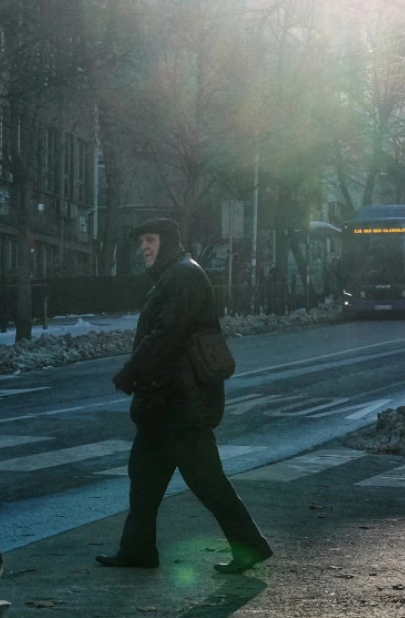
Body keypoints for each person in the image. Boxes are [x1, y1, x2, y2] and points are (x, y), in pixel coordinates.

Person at [97, 217, 272, 574]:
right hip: (165, 404)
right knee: (143, 479)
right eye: (141, 242)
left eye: (150, 240)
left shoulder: (183, 275)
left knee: (208, 483)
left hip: (182, 404)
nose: (144, 248)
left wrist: (131, 371)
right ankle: (137, 549)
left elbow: (167, 333)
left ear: (167, 240)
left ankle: (251, 546)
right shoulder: (174, 275)